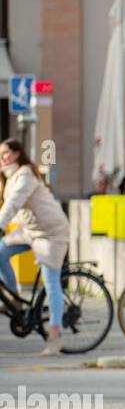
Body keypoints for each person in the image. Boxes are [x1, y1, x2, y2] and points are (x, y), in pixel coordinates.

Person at [0, 139, 70, 355]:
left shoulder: (26, 175)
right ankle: (15, 298)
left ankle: (55, 334)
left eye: (5, 154)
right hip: (29, 232)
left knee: (51, 282)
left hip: (51, 233)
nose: (2, 159)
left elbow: (14, 203)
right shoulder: (9, 177)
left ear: (17, 154)